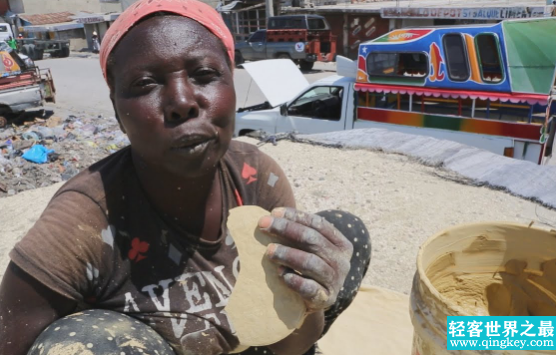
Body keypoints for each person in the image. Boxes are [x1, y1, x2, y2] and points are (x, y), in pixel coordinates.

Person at [0, 1, 371, 354]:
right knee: (86, 343)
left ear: (231, 85)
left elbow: (287, 345)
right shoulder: (81, 223)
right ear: (116, 110)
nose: (182, 101)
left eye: (205, 75)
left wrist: (311, 302)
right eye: (145, 84)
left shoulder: (255, 178)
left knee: (340, 238)